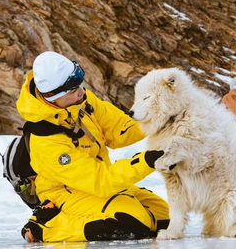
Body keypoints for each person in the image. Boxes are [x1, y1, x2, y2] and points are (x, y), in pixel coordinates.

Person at [16, 51, 170, 243]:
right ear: (53, 97)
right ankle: (46, 226)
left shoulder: (80, 102)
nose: (81, 92)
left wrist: (163, 118)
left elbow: (121, 129)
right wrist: (146, 161)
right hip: (67, 192)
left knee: (163, 217)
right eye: (73, 91)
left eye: (79, 86)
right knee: (133, 222)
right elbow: (100, 180)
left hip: (98, 184)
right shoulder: (46, 140)